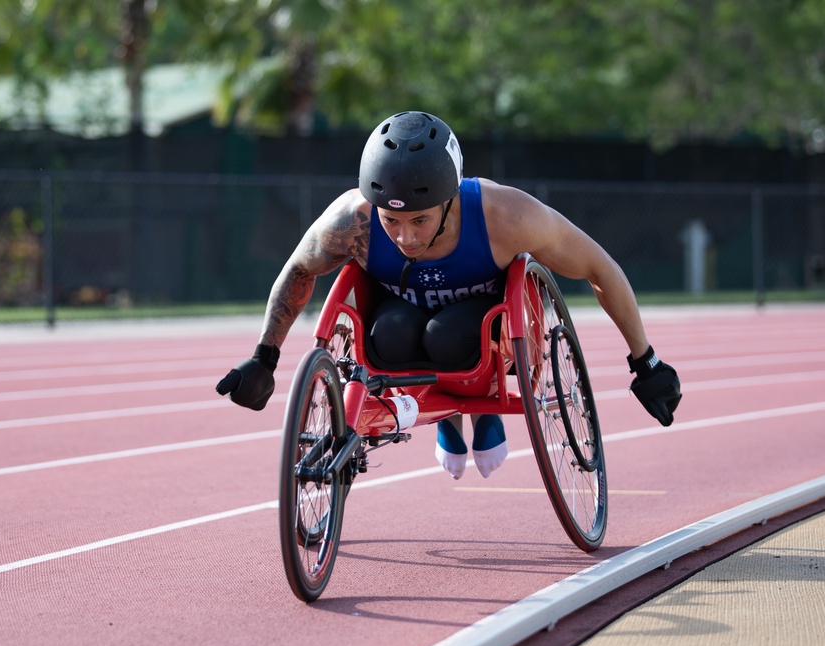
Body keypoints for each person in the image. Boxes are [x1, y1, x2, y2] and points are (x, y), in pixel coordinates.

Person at [216, 110, 681, 479]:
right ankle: (445, 416)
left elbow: (600, 267)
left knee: (447, 336)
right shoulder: (351, 221)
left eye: (419, 220)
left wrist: (646, 361)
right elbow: (298, 270)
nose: (405, 237)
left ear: (450, 198)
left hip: (483, 332)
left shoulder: (505, 216)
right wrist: (264, 357)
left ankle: (482, 414)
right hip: (401, 321)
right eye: (390, 220)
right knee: (390, 334)